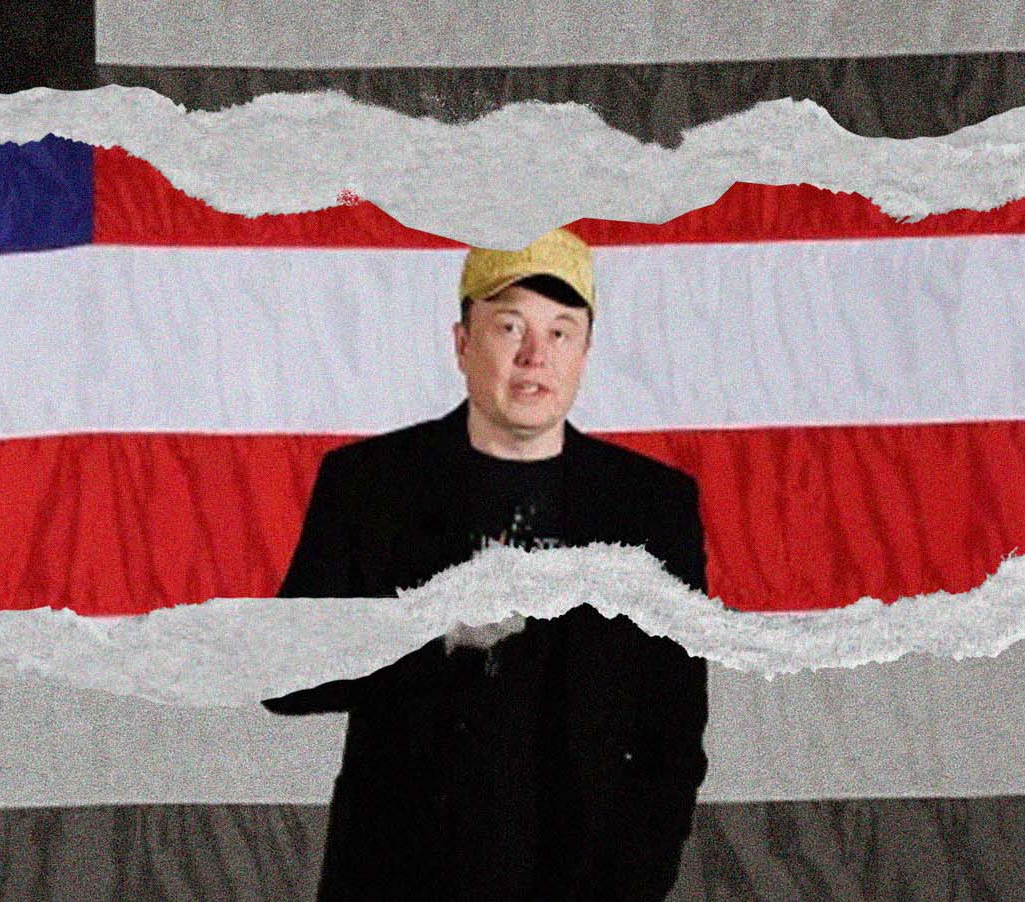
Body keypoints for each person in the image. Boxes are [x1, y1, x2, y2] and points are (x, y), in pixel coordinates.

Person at [262, 228, 709, 901]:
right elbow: (285, 678)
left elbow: (673, 730)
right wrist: (433, 633)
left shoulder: (652, 506)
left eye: (560, 332)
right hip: (400, 878)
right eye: (510, 326)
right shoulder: (370, 484)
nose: (535, 355)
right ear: (463, 342)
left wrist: (632, 884)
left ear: (585, 352)